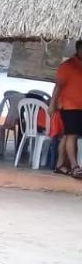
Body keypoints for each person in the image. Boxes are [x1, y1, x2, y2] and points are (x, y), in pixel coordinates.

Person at [48, 40, 82, 178]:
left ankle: (60, 165)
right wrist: (52, 104)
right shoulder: (67, 66)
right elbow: (58, 87)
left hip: (79, 106)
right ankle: (74, 166)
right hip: (69, 106)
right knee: (71, 135)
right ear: (78, 49)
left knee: (69, 135)